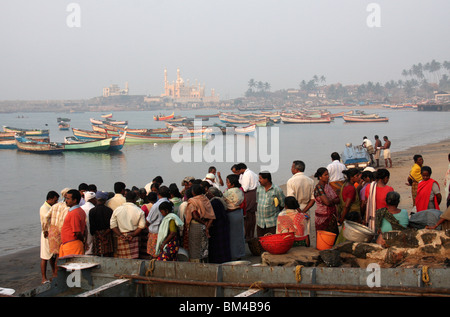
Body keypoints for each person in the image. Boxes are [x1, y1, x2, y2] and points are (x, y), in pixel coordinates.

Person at [183, 184, 216, 262]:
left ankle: (196, 265)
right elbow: (212, 215)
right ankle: (204, 263)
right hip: (206, 226)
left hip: (195, 226)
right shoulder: (206, 200)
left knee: (195, 247)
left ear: (193, 192)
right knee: (204, 247)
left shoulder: (192, 201)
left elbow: (195, 216)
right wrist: (207, 226)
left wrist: (203, 223)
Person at [110, 191, 146, 259]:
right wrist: (132, 234)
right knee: (135, 260)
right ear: (135, 200)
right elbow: (141, 227)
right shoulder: (139, 211)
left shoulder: (117, 210)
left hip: (121, 237)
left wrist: (120, 235)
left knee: (122, 260)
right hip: (134, 237)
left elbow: (113, 225)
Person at [223, 174, 246, 260]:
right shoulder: (240, 191)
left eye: (227, 182)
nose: (226, 184)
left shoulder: (228, 193)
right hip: (239, 213)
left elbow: (224, 201)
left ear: (232, 184)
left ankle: (234, 255)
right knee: (239, 235)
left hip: (231, 215)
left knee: (232, 236)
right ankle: (240, 253)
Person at [256, 172, 286, 237]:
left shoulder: (277, 190)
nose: (259, 180)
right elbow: (257, 201)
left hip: (272, 222)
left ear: (266, 179)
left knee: (272, 241)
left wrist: (274, 211)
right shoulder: (259, 189)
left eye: (260, 178)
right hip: (260, 222)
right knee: (261, 241)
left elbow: (282, 204)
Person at [44, 188, 70, 260]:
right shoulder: (66, 207)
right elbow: (62, 222)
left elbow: (46, 218)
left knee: (56, 255)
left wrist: (46, 230)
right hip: (61, 233)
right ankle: (59, 270)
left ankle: (55, 271)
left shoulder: (55, 206)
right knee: (62, 255)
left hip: (53, 232)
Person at [207, 187, 232, 264]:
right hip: (222, 225)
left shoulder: (214, 202)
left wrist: (207, 226)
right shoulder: (219, 200)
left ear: (212, 194)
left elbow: (213, 217)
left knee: (218, 245)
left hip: (217, 227)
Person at [59, 189, 87, 257]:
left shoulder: (74, 213)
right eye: (66, 198)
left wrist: (82, 240)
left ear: (74, 200)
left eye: (68, 199)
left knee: (73, 265)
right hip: (69, 244)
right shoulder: (77, 211)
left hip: (72, 245)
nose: (66, 200)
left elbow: (77, 232)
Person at [235, 163, 259, 241]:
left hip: (249, 194)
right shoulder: (252, 173)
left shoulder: (246, 175)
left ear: (241, 169)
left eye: (237, 172)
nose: (237, 174)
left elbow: (245, 188)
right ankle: (251, 234)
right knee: (252, 215)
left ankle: (248, 235)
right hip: (254, 193)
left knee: (248, 215)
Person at [146, 186, 171, 258]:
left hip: (156, 234)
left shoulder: (156, 205)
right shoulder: (169, 203)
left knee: (155, 255)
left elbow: (148, 220)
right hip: (166, 233)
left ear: (158, 194)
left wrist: (146, 225)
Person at [40, 191, 59, 284]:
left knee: (52, 255)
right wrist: (45, 231)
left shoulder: (50, 207)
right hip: (46, 234)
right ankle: (44, 278)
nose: (56, 202)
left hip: (52, 234)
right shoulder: (44, 208)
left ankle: (54, 273)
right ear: (50, 199)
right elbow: (45, 221)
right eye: (55, 200)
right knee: (45, 257)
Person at [313, 167, 340, 236]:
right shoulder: (319, 187)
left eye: (328, 174)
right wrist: (333, 200)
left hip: (331, 216)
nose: (328, 176)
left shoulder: (327, 186)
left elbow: (337, 199)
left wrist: (332, 201)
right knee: (325, 237)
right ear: (320, 177)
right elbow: (327, 202)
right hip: (323, 217)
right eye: (325, 175)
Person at [89, 191, 114, 257]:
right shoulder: (109, 210)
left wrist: (100, 236)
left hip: (97, 236)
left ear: (97, 200)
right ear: (105, 201)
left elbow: (92, 226)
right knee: (107, 255)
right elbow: (111, 226)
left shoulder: (92, 211)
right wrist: (104, 235)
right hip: (107, 235)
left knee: (97, 254)